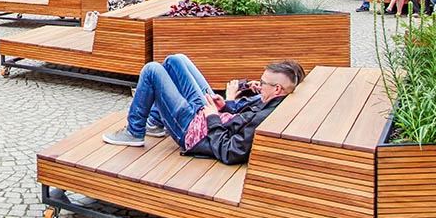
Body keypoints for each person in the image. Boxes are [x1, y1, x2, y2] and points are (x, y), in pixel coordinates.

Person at [101, 54, 305, 166]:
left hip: (195, 133)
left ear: (277, 88)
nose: (259, 86)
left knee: (152, 70)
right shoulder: (272, 100)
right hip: (209, 117)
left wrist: (213, 118)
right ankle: (155, 123)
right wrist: (225, 104)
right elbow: (238, 115)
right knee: (176, 60)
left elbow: (230, 151)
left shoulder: (265, 116)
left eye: (263, 83)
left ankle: (135, 132)